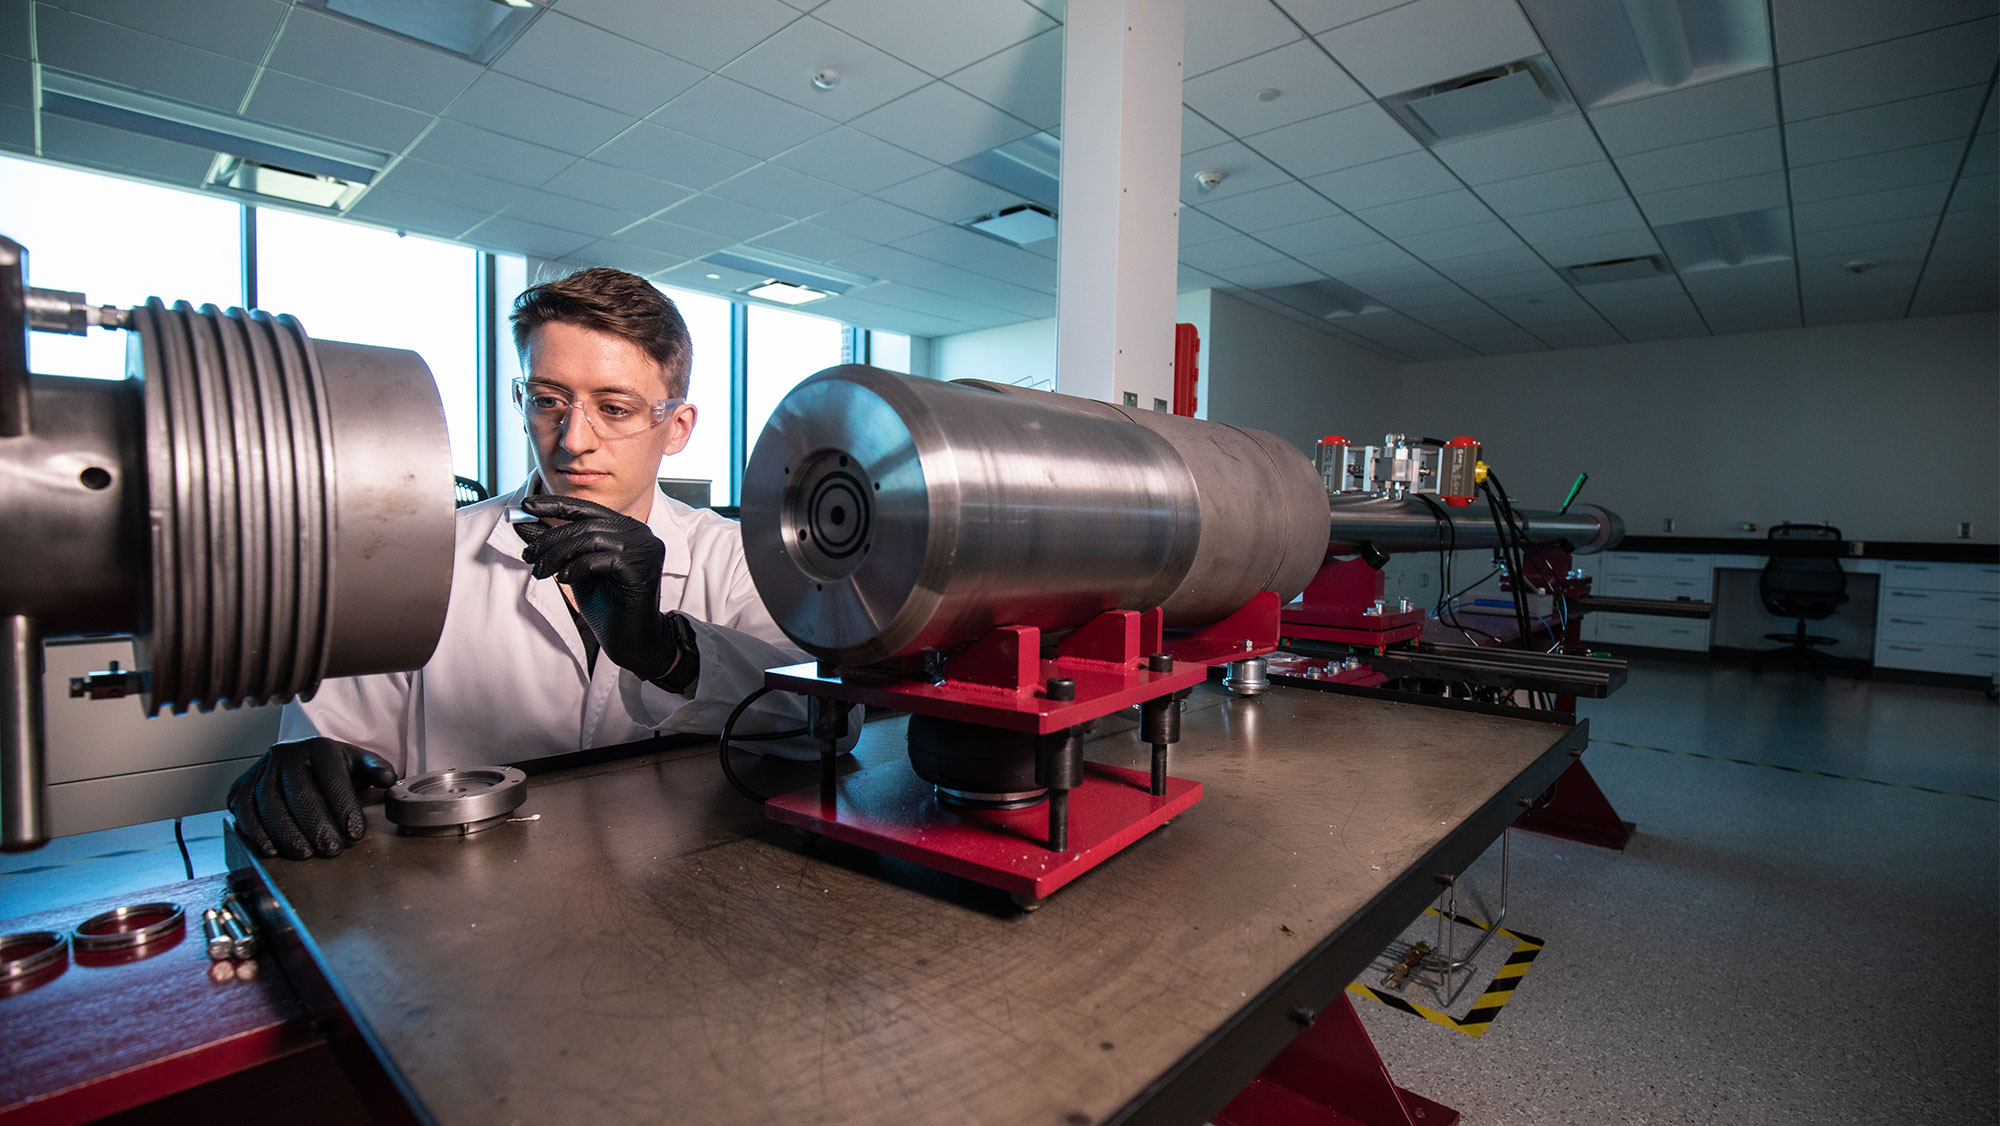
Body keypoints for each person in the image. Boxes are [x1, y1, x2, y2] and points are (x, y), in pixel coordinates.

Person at [229, 267, 842, 860]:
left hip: (678, 877)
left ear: (677, 427)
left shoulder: (735, 557)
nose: (573, 439)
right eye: (549, 400)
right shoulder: (421, 558)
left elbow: (830, 723)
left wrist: (667, 652)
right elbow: (340, 750)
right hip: (462, 888)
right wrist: (313, 763)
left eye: (615, 408)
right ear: (522, 400)